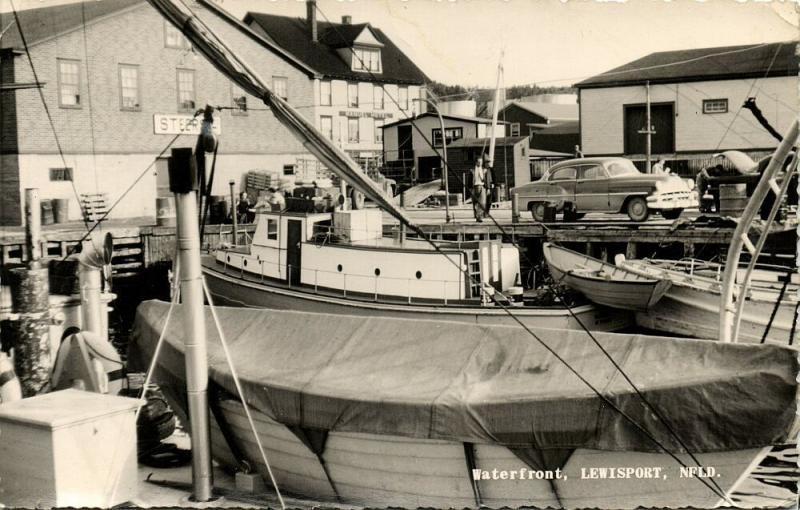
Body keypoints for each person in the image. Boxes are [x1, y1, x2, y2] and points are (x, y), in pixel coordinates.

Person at [471, 156, 487, 222]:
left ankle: (480, 216)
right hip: (474, 186)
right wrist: (470, 188)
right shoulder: (472, 170)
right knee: (475, 203)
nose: (480, 163)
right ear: (476, 162)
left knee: (482, 202)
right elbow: (469, 179)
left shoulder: (484, 170)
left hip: (482, 186)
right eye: (478, 162)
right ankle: (477, 216)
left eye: (481, 162)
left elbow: (487, 179)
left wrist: (488, 188)